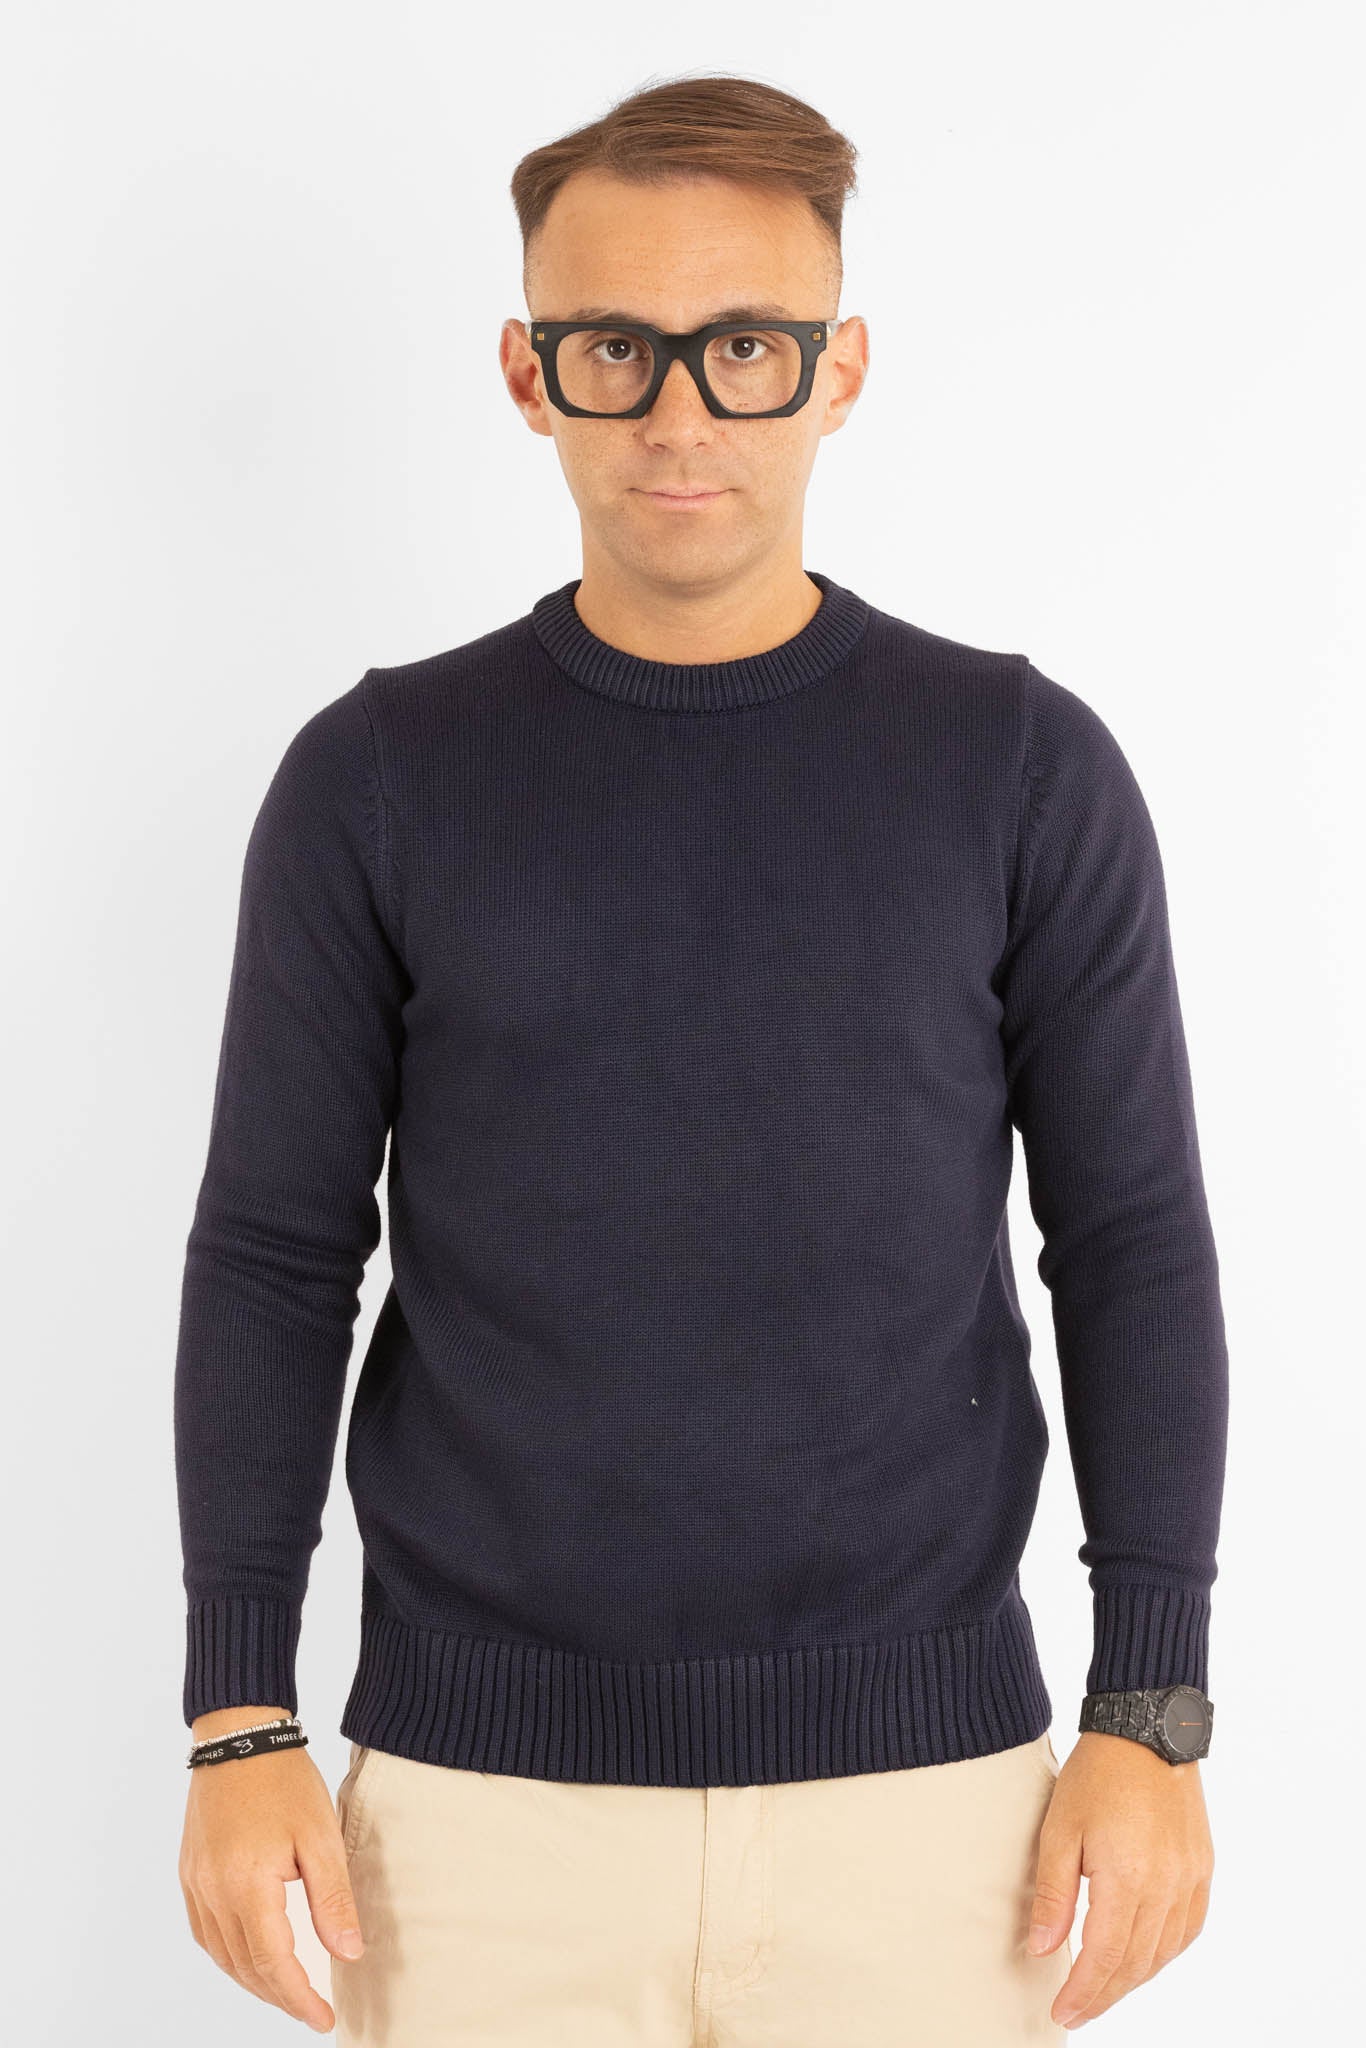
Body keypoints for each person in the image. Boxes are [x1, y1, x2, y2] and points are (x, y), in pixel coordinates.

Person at [175, 72, 1228, 2046]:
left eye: (742, 347)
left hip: (932, 1819)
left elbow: (1130, 1244)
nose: (679, 415)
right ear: (529, 373)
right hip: (475, 1825)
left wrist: (1147, 1707)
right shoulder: (379, 778)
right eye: (616, 348)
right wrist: (238, 1715)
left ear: (838, 369)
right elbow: (274, 1255)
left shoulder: (1016, 766)